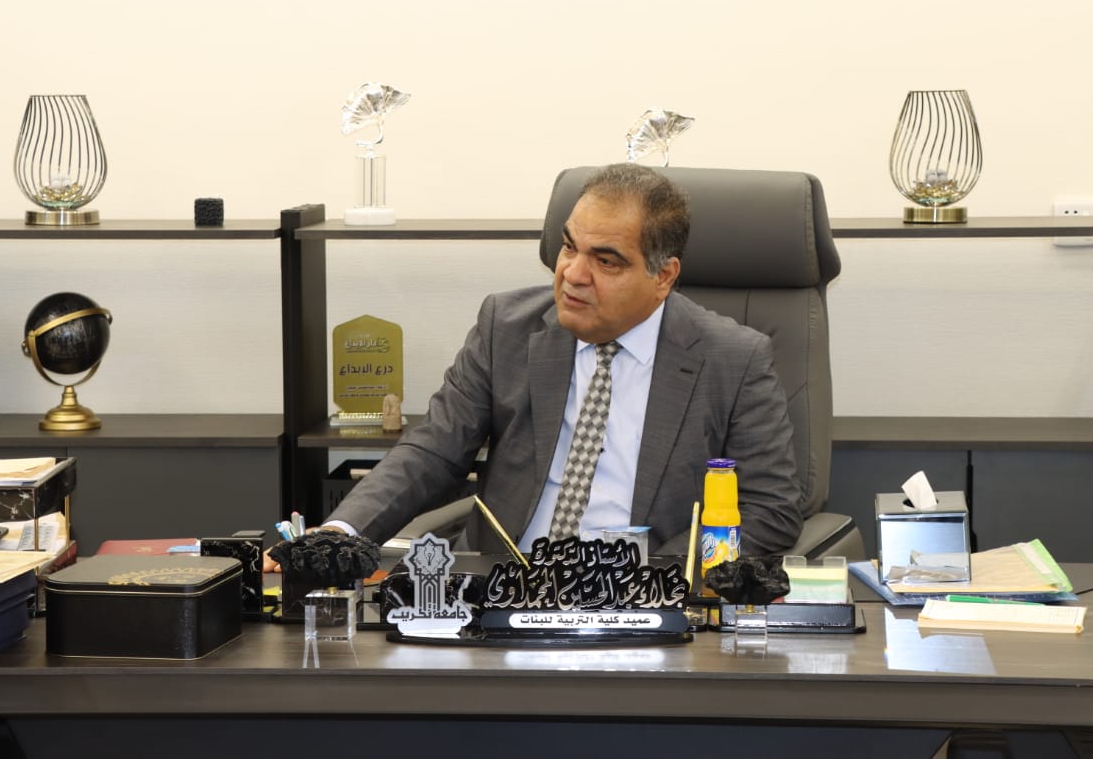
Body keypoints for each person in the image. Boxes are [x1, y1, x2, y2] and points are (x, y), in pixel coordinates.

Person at [265, 162, 802, 570]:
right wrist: (340, 533)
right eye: (569, 248)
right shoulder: (508, 326)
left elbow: (770, 507)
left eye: (606, 260)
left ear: (663, 276)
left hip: (646, 596)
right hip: (506, 587)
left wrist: (664, 578)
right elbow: (433, 451)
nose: (573, 274)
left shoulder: (734, 359)